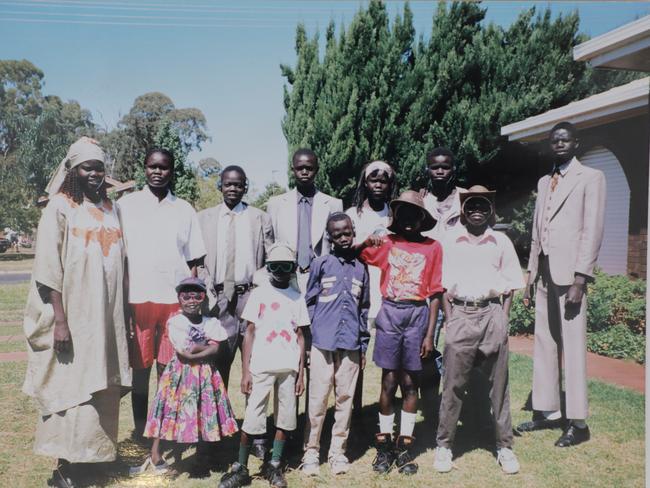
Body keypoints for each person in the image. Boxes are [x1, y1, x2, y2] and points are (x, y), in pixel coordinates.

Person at [22, 137, 131, 488]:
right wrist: (60, 320)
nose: (95, 174)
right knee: (72, 388)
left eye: (99, 167)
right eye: (87, 167)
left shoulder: (111, 208)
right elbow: (48, 269)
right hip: (72, 315)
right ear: (73, 170)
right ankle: (67, 468)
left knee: (102, 387)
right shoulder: (59, 207)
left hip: (106, 316)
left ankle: (93, 463)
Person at [517, 122, 606, 447]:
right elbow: (538, 232)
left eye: (565, 139)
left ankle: (578, 422)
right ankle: (549, 412)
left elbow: (591, 231)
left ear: (576, 143)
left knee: (572, 347)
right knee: (545, 343)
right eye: (554, 140)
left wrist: (581, 279)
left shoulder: (591, 178)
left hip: (571, 278)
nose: (559, 144)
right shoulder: (545, 181)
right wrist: (529, 277)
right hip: (543, 273)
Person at [433, 185, 525, 475]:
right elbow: (441, 287)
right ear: (463, 209)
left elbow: (511, 285)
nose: (476, 211)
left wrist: (503, 320)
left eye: (482, 206)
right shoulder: (450, 240)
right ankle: (444, 446)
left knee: (498, 387)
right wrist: (450, 319)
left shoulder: (500, 241)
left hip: (492, 314)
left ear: (490, 211)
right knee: (453, 384)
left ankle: (504, 447)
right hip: (460, 313)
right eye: (471, 205)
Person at [117, 148, 206, 439]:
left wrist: (191, 307)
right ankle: (141, 431)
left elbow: (194, 262)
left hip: (173, 305)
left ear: (172, 171)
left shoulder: (184, 209)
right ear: (144, 168)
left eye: (164, 167)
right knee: (140, 373)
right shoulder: (126, 206)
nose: (158, 172)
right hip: (138, 302)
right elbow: (120, 258)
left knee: (169, 371)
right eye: (152, 166)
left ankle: (166, 431)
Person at [356, 190, 443, 476]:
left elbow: (434, 294)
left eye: (414, 214)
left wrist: (430, 334)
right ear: (396, 218)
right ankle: (384, 445)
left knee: (410, 382)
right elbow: (357, 252)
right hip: (390, 314)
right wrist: (371, 238)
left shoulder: (433, 248)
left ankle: (404, 445)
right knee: (389, 381)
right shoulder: (389, 243)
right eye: (402, 214)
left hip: (417, 315)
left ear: (422, 218)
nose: (408, 220)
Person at [219, 243, 308, 488]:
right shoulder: (259, 294)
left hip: (288, 368)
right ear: (268, 268)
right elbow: (248, 332)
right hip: (261, 366)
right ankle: (241, 467)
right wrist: (246, 370)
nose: (280, 271)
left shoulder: (297, 297)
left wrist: (300, 374)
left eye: (285, 266)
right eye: (274, 266)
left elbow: (300, 336)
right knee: (252, 417)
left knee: (285, 417)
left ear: (292, 269)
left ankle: (275, 464)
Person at [131, 277, 238, 476]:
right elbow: (185, 352)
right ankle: (155, 455)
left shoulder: (211, 322)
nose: (191, 300)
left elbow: (216, 349)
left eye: (196, 295)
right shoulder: (176, 322)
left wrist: (199, 348)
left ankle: (202, 458)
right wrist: (203, 347)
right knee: (167, 410)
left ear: (203, 298)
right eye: (186, 296)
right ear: (179, 299)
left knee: (204, 412)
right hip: (179, 374)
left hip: (205, 376)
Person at [301, 213, 370, 476]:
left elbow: (364, 308)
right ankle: (310, 451)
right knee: (318, 398)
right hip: (322, 341)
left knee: (345, 397)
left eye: (347, 232)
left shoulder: (361, 269)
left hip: (351, 342)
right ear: (329, 237)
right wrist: (307, 342)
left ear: (353, 232)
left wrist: (362, 345)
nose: (343, 237)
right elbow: (308, 303)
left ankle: (337, 451)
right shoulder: (321, 264)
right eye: (337, 234)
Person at [197, 165, 274, 388]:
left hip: (250, 295)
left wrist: (262, 292)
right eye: (228, 184)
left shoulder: (259, 218)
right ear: (220, 185)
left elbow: (270, 258)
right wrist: (208, 289)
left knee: (255, 361)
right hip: (218, 298)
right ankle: (221, 420)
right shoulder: (204, 218)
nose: (233, 188)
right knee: (219, 360)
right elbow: (198, 260)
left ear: (245, 187)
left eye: (238, 185)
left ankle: (252, 422)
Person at [345, 160, 396, 419]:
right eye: (373, 180)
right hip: (360, 291)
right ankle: (353, 414)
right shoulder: (353, 215)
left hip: (390, 291)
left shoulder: (395, 213)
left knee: (389, 357)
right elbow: (341, 251)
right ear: (365, 183)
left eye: (383, 180)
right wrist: (364, 242)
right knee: (356, 355)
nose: (378, 184)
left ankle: (385, 413)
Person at [266, 148, 343, 292]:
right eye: (300, 168)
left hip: (321, 277)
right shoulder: (276, 204)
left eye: (309, 168)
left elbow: (338, 243)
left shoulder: (333, 204)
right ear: (292, 169)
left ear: (317, 169)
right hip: (286, 278)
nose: (304, 172)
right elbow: (270, 242)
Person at [421, 147, 466, 240]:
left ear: (453, 169)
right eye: (434, 168)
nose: (440, 172)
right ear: (427, 169)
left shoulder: (465, 197)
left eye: (445, 167)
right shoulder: (422, 200)